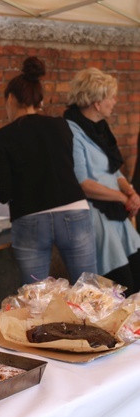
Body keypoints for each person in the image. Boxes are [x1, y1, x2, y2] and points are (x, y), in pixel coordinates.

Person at [0, 56, 97, 285]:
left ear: (11, 99)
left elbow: (3, 192)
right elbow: (59, 168)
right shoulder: (62, 126)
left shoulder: (3, 136)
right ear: (38, 99)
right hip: (74, 210)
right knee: (89, 290)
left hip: (30, 219)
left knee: (35, 297)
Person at [62, 67, 140, 293]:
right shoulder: (72, 131)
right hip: (97, 217)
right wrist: (123, 197)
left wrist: (131, 193)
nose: (114, 102)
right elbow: (83, 183)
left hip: (117, 214)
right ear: (97, 102)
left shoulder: (100, 129)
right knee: (122, 287)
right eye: (111, 97)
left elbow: (114, 172)